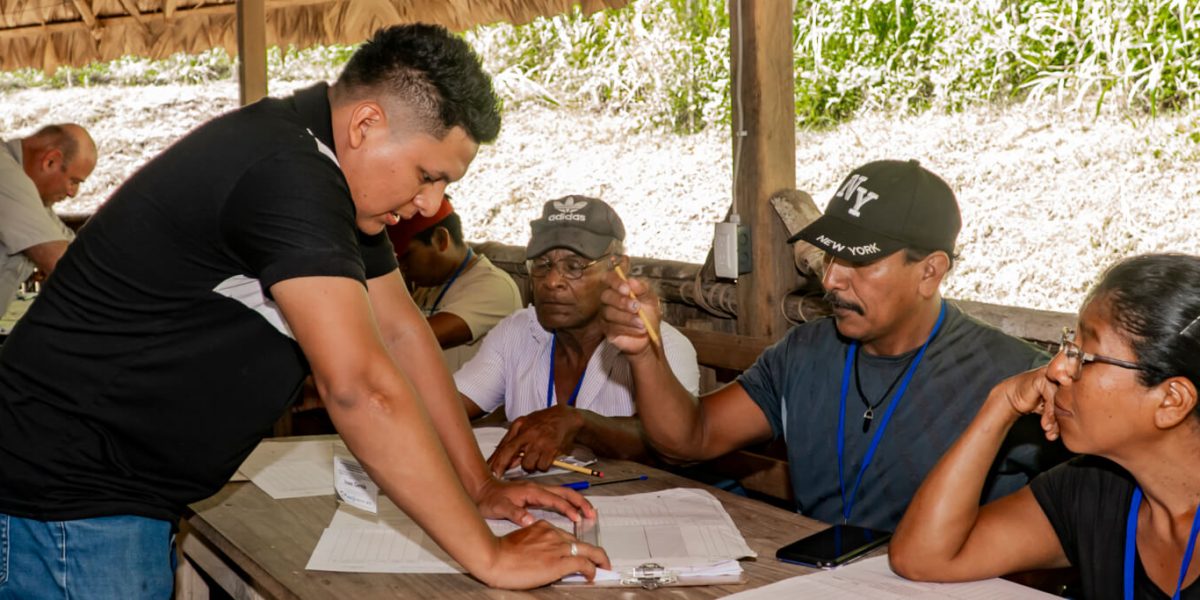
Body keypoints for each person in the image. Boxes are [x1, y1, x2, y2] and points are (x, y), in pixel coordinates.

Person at [0, 25, 607, 598]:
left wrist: (478, 485)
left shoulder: (334, 176)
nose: (430, 203)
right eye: (427, 176)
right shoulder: (287, 173)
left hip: (108, 491)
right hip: (69, 497)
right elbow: (361, 389)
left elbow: (400, 333)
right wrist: (491, 556)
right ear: (367, 124)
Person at [601, 159, 1068, 532]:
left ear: (930, 271)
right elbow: (691, 438)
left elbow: (1080, 523)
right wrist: (645, 352)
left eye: (858, 261)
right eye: (830, 253)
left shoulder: (1014, 377)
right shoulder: (804, 352)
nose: (831, 278)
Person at [891, 253, 1200, 600]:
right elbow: (923, 558)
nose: (1056, 370)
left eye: (1084, 358)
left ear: (1171, 400)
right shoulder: (1094, 489)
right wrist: (1001, 403)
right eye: (1070, 345)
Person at [458, 196, 700, 475]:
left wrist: (580, 423)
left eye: (574, 266)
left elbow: (672, 442)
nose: (552, 281)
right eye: (542, 264)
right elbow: (449, 404)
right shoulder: (517, 331)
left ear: (618, 267)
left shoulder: (663, 347)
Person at [389, 196, 522, 371]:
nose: (402, 266)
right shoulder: (426, 285)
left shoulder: (495, 287)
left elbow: (408, 339)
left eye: (407, 256)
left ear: (440, 239)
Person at [0, 123, 97, 312]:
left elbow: (76, 254)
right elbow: (65, 265)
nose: (72, 193)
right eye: (74, 181)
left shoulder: (35, 201)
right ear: (50, 160)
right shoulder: (5, 173)